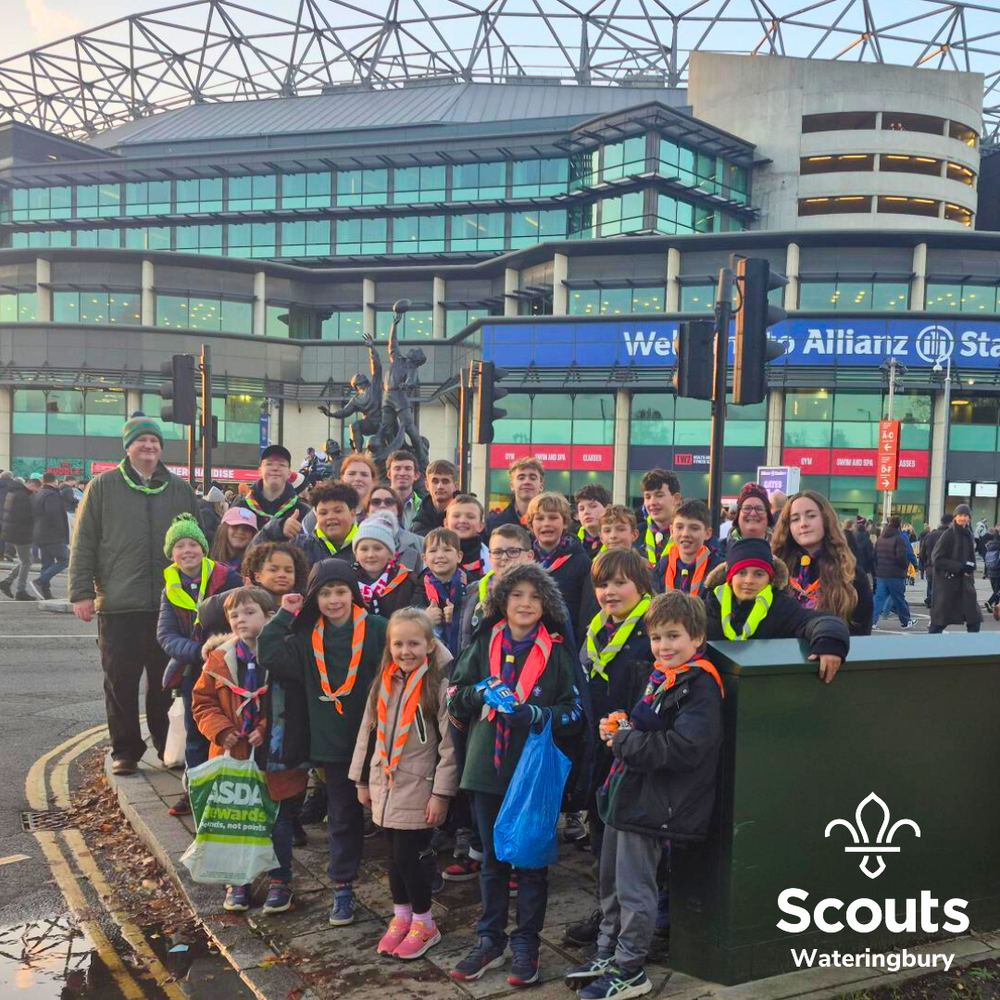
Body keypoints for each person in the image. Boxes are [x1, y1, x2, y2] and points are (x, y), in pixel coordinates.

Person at [567, 590, 723, 1000]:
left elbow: (685, 748)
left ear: (697, 639)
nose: (663, 646)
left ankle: (630, 968)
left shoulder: (699, 684)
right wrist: (620, 725)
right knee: (610, 881)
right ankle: (607, 952)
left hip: (654, 804)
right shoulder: (661, 676)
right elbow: (644, 724)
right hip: (628, 795)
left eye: (673, 636)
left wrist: (625, 741)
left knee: (636, 889)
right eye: (656, 637)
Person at [447, 564, 584, 986]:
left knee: (530, 863)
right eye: (517, 595)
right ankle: (489, 940)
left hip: (533, 774)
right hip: (485, 769)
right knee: (492, 860)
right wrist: (478, 694)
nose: (526, 603)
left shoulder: (556, 653)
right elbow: (453, 696)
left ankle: (527, 943)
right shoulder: (482, 643)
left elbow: (575, 712)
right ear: (502, 601)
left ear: (547, 606)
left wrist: (537, 714)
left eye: (535, 596)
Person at [258, 560, 388, 927]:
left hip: (379, 738)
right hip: (332, 743)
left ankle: (415, 875)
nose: (334, 600)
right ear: (314, 598)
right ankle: (343, 887)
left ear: (353, 594)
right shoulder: (306, 636)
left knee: (393, 814)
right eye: (325, 593)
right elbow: (268, 653)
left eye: (341, 592)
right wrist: (284, 614)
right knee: (342, 816)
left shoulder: (377, 628)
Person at [69, 415, 198, 774]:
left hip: (170, 603)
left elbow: (196, 542)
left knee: (166, 681)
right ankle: (125, 750)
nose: (149, 447)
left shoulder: (179, 489)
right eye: (142, 441)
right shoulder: (102, 486)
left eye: (155, 442)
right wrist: (81, 593)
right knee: (120, 682)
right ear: (128, 447)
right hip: (119, 604)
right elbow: (84, 542)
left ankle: (167, 746)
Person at [349, 608, 459, 960]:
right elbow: (367, 734)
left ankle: (425, 922)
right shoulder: (383, 683)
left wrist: (442, 794)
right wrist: (361, 781)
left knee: (408, 857)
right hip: (384, 784)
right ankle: (401, 916)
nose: (405, 651)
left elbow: (449, 747)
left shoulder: (437, 687)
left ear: (430, 645)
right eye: (398, 644)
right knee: (392, 857)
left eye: (414, 643)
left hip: (419, 787)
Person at [193, 586, 309, 915]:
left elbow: (293, 701)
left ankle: (280, 880)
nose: (240, 620)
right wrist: (222, 730)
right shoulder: (219, 660)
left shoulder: (282, 655)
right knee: (237, 822)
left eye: (249, 613)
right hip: (233, 756)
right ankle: (239, 881)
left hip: (275, 756)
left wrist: (266, 728)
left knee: (278, 822)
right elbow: (202, 703)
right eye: (234, 615)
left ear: (270, 617)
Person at [570, 549, 654, 948]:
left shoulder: (654, 630)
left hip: (637, 755)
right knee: (601, 838)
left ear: (642, 586)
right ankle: (608, 914)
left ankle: (634, 927)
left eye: (620, 583)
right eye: (602, 584)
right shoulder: (596, 631)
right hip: (601, 752)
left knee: (632, 851)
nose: (610, 592)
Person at [157, 512, 242, 813]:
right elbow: (166, 635)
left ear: (203, 548)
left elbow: (242, 617)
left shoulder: (227, 579)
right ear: (172, 554)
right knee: (196, 735)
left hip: (231, 668)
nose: (187, 551)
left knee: (231, 731)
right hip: (195, 670)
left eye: (192, 544)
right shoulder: (170, 587)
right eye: (179, 546)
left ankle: (230, 794)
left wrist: (221, 648)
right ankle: (197, 794)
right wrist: (198, 652)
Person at [703, 538, 849, 682]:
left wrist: (829, 644)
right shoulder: (707, 608)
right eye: (741, 573)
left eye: (759, 574)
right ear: (730, 577)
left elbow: (822, 621)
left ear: (770, 578)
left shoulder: (782, 607)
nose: (749, 580)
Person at [771, 491, 874, 636]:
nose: (803, 524)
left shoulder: (850, 576)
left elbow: (860, 634)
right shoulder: (774, 571)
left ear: (825, 519)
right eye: (795, 519)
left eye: (811, 516)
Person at [526, 491, 594, 646]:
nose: (546, 523)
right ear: (531, 525)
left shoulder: (582, 563)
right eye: (539, 518)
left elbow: (586, 612)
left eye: (553, 517)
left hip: (565, 644)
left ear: (564, 523)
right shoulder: (523, 561)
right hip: (528, 643)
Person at [459, 523, 535, 652]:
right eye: (497, 552)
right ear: (490, 557)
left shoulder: (542, 596)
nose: (504, 557)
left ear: (529, 556)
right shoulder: (471, 593)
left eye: (513, 551)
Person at [258, 482, 359, 567]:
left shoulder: (365, 543)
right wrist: (277, 528)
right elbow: (260, 563)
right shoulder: (299, 545)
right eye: (323, 513)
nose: (330, 517)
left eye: (338, 511)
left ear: (352, 513)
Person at [929, 504, 983, 634]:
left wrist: (970, 566)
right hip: (949, 585)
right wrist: (960, 567)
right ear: (955, 517)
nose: (963, 518)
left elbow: (969, 557)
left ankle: (972, 645)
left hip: (965, 584)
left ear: (969, 518)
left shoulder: (968, 534)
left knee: (974, 619)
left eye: (965, 516)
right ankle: (930, 642)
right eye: (960, 515)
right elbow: (937, 559)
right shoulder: (948, 535)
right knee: (940, 621)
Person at [351, 513, 416, 618]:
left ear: (390, 554)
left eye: (378, 548)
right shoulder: (349, 581)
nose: (371, 555)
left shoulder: (407, 581)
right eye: (364, 549)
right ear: (356, 555)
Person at [652, 499, 721, 598]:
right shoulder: (660, 568)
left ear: (707, 533)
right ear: (671, 531)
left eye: (694, 528)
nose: (685, 534)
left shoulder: (718, 570)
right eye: (679, 527)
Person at [414, 528, 466, 657]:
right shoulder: (415, 587)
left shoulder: (472, 586)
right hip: (430, 658)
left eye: (447, 550)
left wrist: (459, 616)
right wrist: (424, 619)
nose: (440, 555)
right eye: (433, 551)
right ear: (424, 559)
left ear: (459, 556)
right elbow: (406, 626)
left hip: (464, 655)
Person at [237, 446, 310, 532]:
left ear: (289, 473)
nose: (275, 468)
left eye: (282, 465)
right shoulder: (242, 507)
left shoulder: (303, 512)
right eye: (269, 464)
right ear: (260, 471)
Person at [871, 516, 917, 630]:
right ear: (899, 525)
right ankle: (906, 621)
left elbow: (874, 556)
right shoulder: (899, 539)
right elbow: (902, 558)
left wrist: (877, 568)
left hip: (881, 573)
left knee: (879, 598)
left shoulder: (880, 539)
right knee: (899, 598)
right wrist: (905, 567)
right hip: (895, 573)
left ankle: (872, 622)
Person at [30, 472, 70, 600]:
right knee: (65, 560)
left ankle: (45, 592)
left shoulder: (40, 493)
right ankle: (41, 581)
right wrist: (62, 533)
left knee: (47, 563)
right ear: (55, 481)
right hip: (53, 534)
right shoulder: (52, 495)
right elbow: (54, 515)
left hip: (40, 533)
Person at [0, 475, 40, 600]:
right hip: (20, 534)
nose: (36, 492)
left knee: (28, 560)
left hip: (14, 532)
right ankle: (20, 591)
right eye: (36, 490)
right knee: (27, 562)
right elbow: (23, 516)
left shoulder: (15, 492)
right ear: (32, 485)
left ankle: (7, 582)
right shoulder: (22, 495)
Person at [364, 486, 423, 572]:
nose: (382, 506)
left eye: (389, 502)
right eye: (376, 502)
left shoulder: (420, 543)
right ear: (367, 510)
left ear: (398, 509)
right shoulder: (355, 543)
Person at [487, 457, 545, 533]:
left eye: (533, 478)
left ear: (541, 486)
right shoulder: (494, 523)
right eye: (521, 478)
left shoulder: (552, 523)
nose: (527, 482)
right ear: (512, 486)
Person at [638, 470, 682, 566]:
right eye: (647, 497)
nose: (652, 502)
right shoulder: (634, 537)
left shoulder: (690, 537)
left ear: (676, 499)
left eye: (659, 496)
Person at [444, 494, 491, 585]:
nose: (462, 521)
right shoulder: (433, 556)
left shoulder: (491, 560)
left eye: (470, 517)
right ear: (446, 524)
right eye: (456, 516)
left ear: (481, 526)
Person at [720, 482, 772, 556]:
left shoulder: (782, 552)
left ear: (768, 514)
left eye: (759, 509)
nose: (753, 513)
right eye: (747, 508)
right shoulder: (716, 551)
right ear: (738, 513)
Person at [411, 460, 458, 537]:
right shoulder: (418, 526)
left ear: (455, 486)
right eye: (435, 481)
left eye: (445, 481)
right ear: (427, 486)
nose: (440, 486)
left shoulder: (464, 519)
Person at [209, 506, 259, 572]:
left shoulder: (256, 566)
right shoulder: (207, 557)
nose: (240, 532)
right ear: (224, 529)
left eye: (247, 529)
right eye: (235, 526)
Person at [920, 513, 952, 608]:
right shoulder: (950, 536)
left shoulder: (930, 536)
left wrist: (924, 564)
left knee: (931, 586)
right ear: (950, 523)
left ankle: (930, 600)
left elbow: (922, 553)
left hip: (930, 566)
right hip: (944, 568)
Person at [387, 450, 422, 530]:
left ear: (416, 475)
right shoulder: (376, 503)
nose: (402, 473)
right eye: (397, 469)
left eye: (408, 469)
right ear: (389, 474)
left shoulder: (423, 507)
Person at [575, 485, 612, 560]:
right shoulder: (570, 544)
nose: (586, 512)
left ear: (607, 509)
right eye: (581, 509)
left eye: (593, 506)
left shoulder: (619, 542)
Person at [852, 515, 876, 586]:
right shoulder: (867, 541)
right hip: (865, 570)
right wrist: (873, 571)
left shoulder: (852, 539)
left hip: (854, 569)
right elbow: (870, 557)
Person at [985, 530, 1000, 616]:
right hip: (998, 571)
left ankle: (996, 609)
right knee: (998, 591)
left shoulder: (990, 546)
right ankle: (990, 602)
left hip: (990, 570)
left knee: (996, 591)